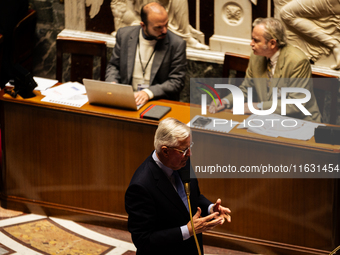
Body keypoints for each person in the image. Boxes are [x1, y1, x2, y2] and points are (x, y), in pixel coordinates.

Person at [125, 117, 231, 255]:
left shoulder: (182, 161)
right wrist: (187, 230)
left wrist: (211, 208)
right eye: (184, 150)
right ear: (165, 151)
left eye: (189, 147)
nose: (189, 153)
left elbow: (192, 197)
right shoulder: (141, 187)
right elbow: (143, 240)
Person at [209, 17, 322, 123]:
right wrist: (225, 101)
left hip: (300, 121)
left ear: (272, 43)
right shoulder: (256, 56)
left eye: (256, 40)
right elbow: (245, 89)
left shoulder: (297, 61)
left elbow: (296, 104)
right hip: (270, 121)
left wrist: (257, 107)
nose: (251, 44)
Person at [106, 2, 186, 106]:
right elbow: (114, 66)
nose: (165, 30)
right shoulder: (124, 35)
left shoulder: (176, 44)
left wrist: (148, 93)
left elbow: (177, 81)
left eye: (166, 24)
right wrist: (112, 83)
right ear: (143, 25)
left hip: (157, 101)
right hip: (127, 99)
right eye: (158, 27)